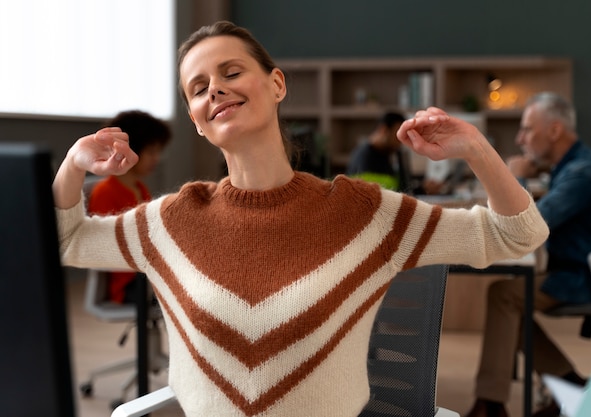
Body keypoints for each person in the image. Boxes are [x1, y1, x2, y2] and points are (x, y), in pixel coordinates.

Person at [53, 21, 548, 417]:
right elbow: (64, 240)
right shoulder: (175, 220)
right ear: (198, 123)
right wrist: (75, 164)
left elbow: (517, 236)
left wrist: (476, 150)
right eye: (198, 88)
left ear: (276, 83)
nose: (216, 91)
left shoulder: (362, 212)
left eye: (231, 72)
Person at [464, 92, 591, 417]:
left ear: (554, 130)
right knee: (509, 298)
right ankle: (567, 387)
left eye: (528, 129)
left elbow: (532, 225)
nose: (521, 138)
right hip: (581, 272)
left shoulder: (583, 172)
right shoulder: (578, 166)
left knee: (506, 296)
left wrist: (515, 178)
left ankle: (492, 404)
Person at [87, 110, 172, 304]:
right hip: (129, 284)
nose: (156, 159)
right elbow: (104, 248)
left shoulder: (141, 189)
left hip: (147, 276)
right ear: (131, 150)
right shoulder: (106, 192)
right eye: (151, 151)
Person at [345, 111, 408, 191]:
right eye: (397, 135)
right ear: (384, 130)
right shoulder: (364, 157)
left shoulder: (387, 153)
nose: (400, 142)